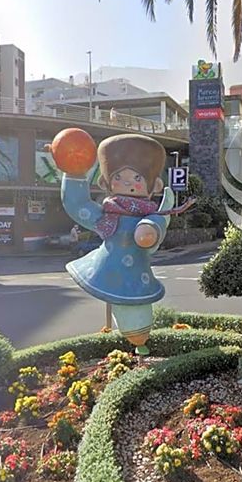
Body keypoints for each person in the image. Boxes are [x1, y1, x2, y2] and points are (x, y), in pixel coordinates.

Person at [55, 133, 194, 355]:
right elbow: (78, 204)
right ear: (105, 183)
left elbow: (156, 222)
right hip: (105, 267)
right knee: (127, 310)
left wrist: (149, 229)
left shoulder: (150, 214)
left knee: (136, 310)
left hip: (137, 275)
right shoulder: (107, 215)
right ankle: (135, 340)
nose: (128, 183)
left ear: (155, 185)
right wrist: (73, 172)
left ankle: (139, 340)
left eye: (138, 178)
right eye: (119, 177)